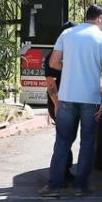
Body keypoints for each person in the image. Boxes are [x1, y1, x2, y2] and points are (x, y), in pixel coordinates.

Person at [39, 5, 102, 198]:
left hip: (66, 97)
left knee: (62, 141)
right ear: (99, 17)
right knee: (88, 142)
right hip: (91, 98)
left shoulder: (67, 34)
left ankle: (54, 185)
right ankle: (81, 186)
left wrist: (70, 66)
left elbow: (53, 63)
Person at [44, 21, 77, 186]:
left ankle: (65, 170)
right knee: (64, 138)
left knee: (68, 137)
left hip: (69, 101)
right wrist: (57, 104)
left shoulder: (72, 54)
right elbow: (51, 83)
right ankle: (59, 175)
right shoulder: (53, 56)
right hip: (59, 102)